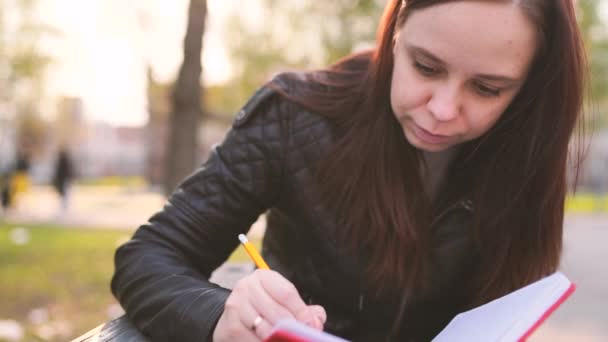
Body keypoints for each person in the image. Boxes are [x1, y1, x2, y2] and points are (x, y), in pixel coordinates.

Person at [111, 1, 588, 341]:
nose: (442, 109)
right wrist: (219, 316)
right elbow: (148, 255)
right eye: (425, 66)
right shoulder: (295, 115)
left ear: (527, 91)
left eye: (486, 88)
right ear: (395, 32)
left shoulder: (525, 151)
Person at [52, 148, 74, 213]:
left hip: (63, 180)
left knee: (64, 194)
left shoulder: (62, 162)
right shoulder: (64, 162)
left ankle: (64, 207)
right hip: (64, 180)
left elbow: (59, 172)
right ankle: (64, 207)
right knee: (64, 194)